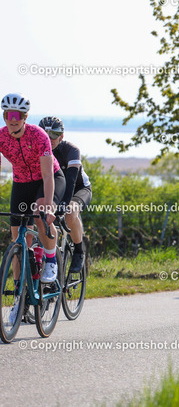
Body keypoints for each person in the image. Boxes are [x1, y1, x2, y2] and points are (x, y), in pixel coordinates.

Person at [1, 93, 65, 323]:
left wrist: (48, 206)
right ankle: (19, 298)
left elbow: (47, 176)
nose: (13, 119)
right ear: (4, 116)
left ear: (25, 117)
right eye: (8, 115)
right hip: (21, 183)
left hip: (48, 179)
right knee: (17, 240)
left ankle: (51, 260)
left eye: (17, 115)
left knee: (39, 213)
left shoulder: (38, 136)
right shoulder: (1, 137)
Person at [39, 117, 92, 273]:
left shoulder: (71, 150)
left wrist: (62, 206)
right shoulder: (37, 150)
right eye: (45, 134)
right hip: (55, 188)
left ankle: (79, 251)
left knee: (70, 211)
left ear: (61, 136)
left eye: (54, 134)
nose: (50, 138)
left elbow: (71, 181)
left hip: (78, 188)